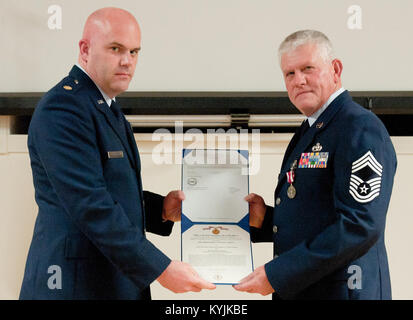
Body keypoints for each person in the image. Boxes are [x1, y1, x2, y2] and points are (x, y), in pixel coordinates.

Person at [19, 7, 215, 300]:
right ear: (85, 50)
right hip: (74, 286)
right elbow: (90, 204)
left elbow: (110, 190)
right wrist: (161, 268)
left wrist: (161, 210)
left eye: (135, 52)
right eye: (116, 49)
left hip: (109, 282)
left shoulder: (104, 105)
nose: (127, 61)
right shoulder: (64, 108)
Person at [234, 30, 397, 299]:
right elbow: (317, 217)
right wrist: (266, 220)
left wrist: (279, 273)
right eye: (289, 74)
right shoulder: (312, 129)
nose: (299, 80)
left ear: (335, 69)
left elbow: (360, 225)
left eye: (307, 69)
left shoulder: (359, 128)